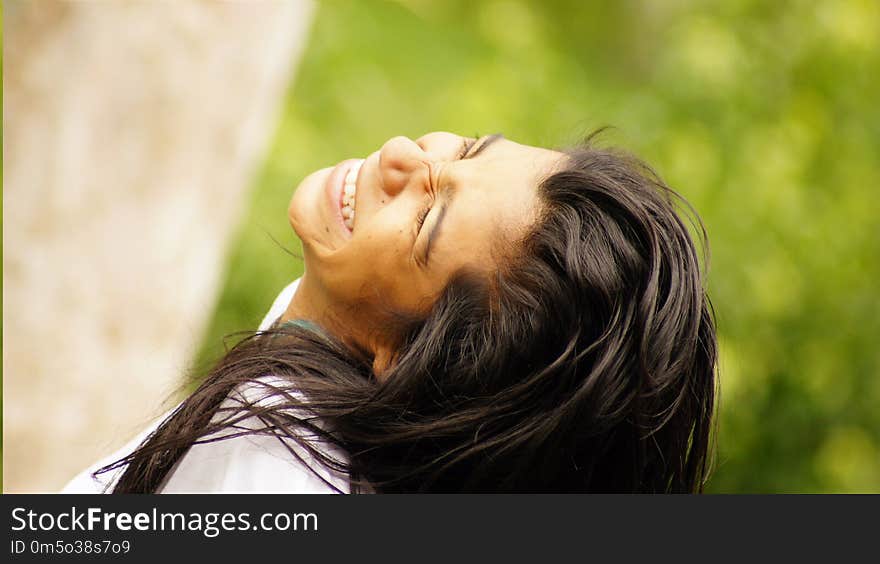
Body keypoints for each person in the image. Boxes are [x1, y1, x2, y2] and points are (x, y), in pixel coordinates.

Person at [63, 130, 717, 493]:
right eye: (465, 150)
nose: (405, 154)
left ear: (408, 363)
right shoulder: (308, 357)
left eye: (426, 218)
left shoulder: (264, 466)